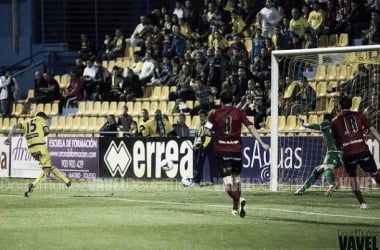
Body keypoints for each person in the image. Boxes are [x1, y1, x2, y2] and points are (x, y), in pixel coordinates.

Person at [204, 90, 269, 217]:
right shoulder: (240, 112)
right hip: (236, 150)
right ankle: (235, 208)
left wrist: (213, 133)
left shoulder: (214, 113)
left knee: (228, 183)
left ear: (221, 101)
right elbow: (250, 127)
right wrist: (262, 143)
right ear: (233, 101)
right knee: (236, 179)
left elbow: (206, 131)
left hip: (221, 149)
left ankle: (239, 200)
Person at [4, 112, 71, 197]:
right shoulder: (41, 120)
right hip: (40, 146)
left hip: (31, 149)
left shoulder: (26, 121)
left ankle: (67, 181)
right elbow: (47, 131)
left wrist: (9, 138)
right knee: (46, 170)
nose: (46, 120)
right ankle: (32, 185)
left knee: (50, 165)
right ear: (42, 116)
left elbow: (15, 126)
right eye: (45, 118)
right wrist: (42, 134)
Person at [331, 95, 380, 209]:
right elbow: (372, 130)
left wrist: (341, 149)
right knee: (374, 173)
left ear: (340, 106)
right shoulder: (359, 115)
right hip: (362, 150)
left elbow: (336, 140)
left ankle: (363, 203)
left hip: (348, 153)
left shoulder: (334, 121)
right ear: (351, 105)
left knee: (353, 178)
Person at [294, 114, 343, 196]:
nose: (321, 120)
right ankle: (302, 189)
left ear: (325, 119)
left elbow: (316, 126)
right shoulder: (338, 126)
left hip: (332, 152)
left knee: (328, 167)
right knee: (317, 170)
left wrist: (304, 124)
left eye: (321, 118)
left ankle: (332, 184)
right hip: (340, 154)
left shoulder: (326, 124)